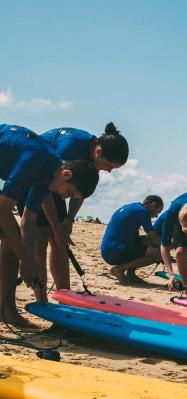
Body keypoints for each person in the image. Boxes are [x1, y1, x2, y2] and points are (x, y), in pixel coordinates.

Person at [0, 124, 98, 324]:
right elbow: (2, 209)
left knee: (11, 243)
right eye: (69, 193)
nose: (64, 197)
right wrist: (26, 259)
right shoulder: (35, 160)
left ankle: (6, 312)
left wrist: (27, 260)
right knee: (10, 240)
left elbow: (28, 221)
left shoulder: (48, 179)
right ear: (66, 174)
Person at [33, 123, 129, 297]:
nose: (108, 171)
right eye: (108, 165)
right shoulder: (69, 149)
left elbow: (80, 191)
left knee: (59, 243)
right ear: (98, 151)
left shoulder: (93, 161)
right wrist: (56, 227)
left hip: (60, 185)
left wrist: (69, 219)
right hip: (38, 182)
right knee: (40, 240)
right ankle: (41, 299)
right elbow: (45, 188)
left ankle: (64, 296)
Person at [101, 195, 163, 284]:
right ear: (153, 205)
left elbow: (144, 239)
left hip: (109, 249)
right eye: (158, 212)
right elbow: (153, 236)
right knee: (158, 254)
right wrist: (165, 254)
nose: (156, 216)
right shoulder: (142, 212)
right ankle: (118, 270)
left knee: (148, 242)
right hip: (115, 252)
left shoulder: (132, 207)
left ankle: (131, 274)